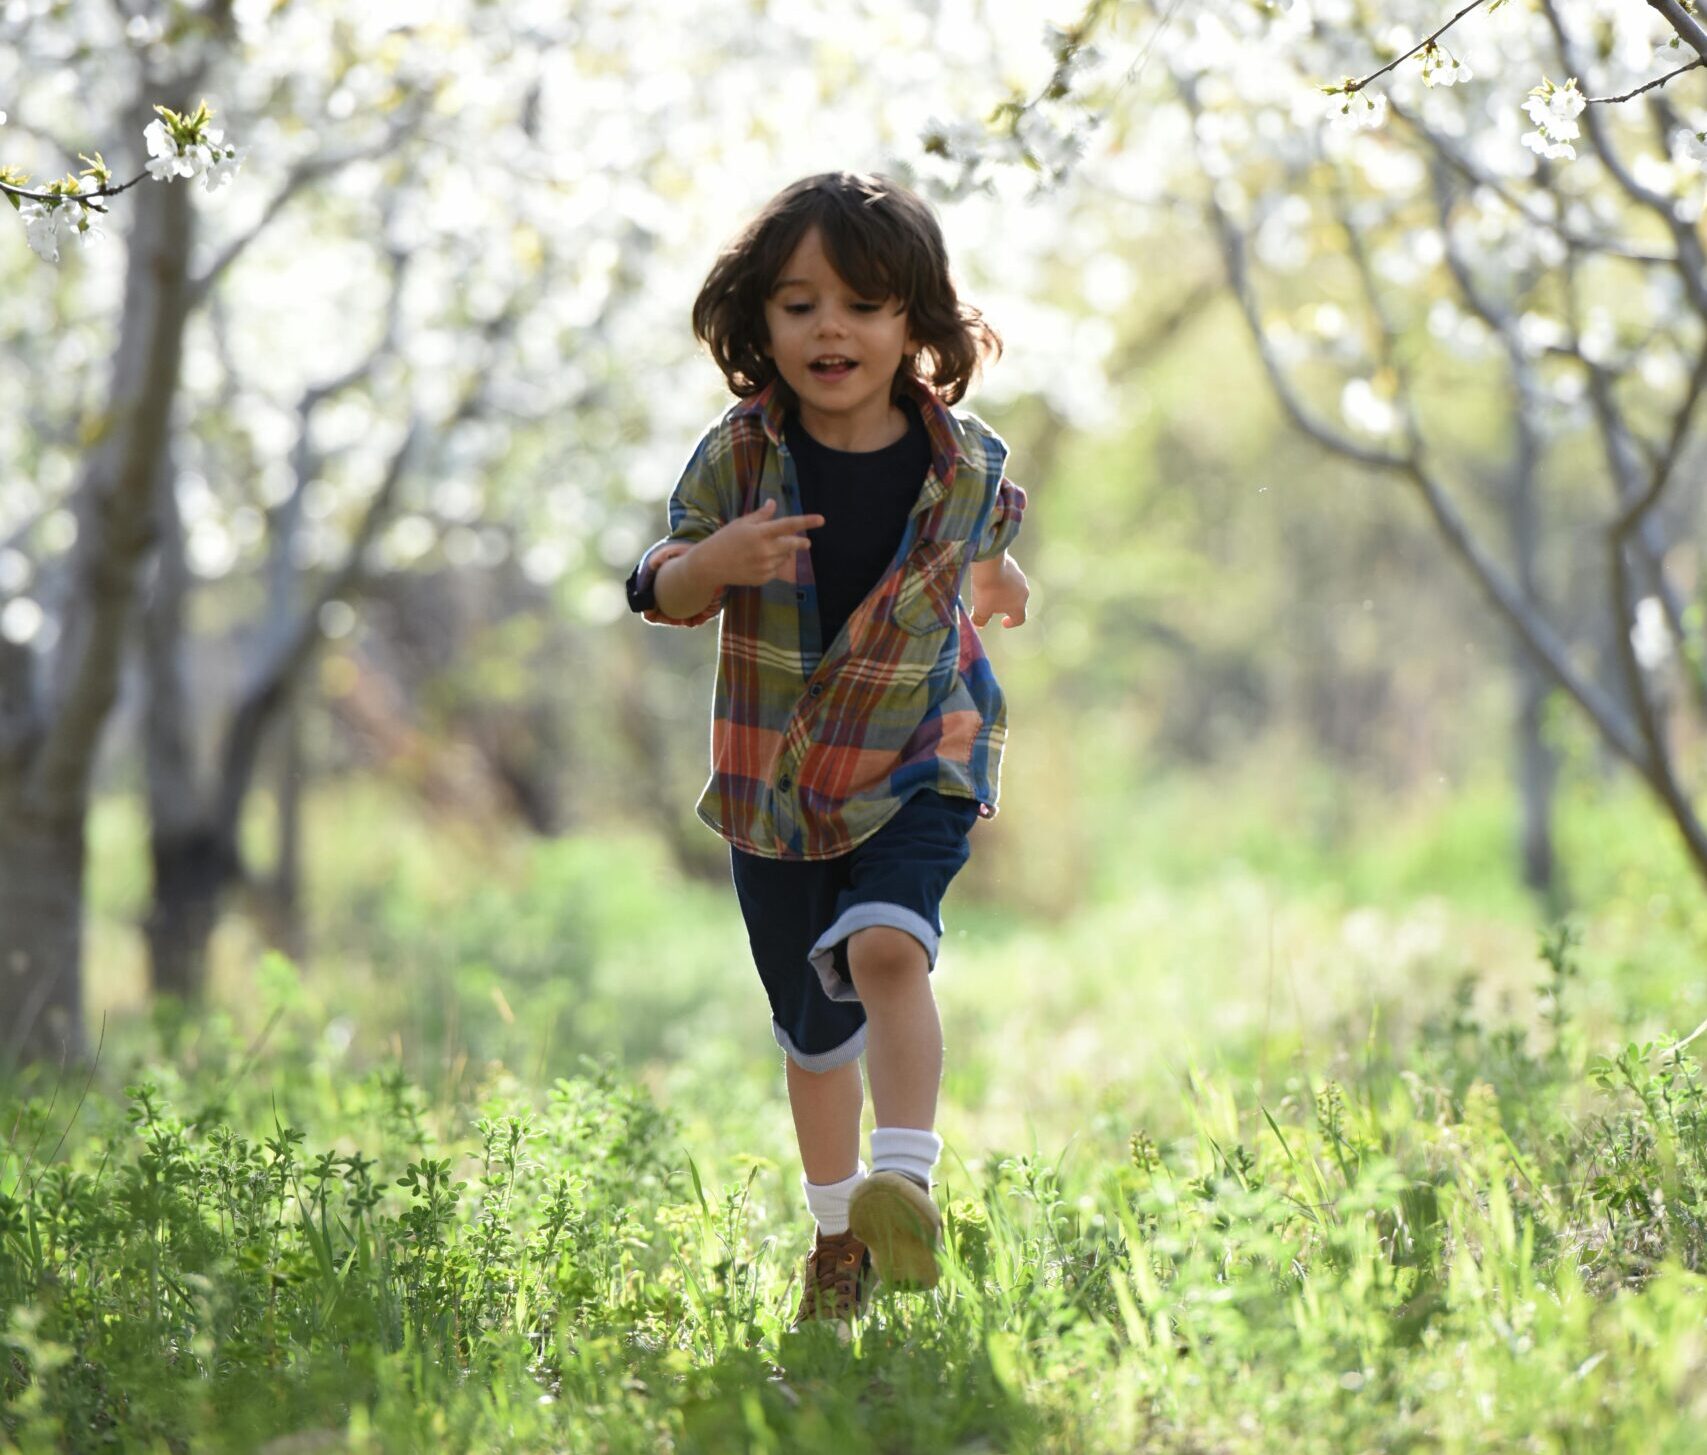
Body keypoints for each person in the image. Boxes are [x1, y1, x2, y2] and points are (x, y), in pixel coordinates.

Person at [625, 172, 1029, 1328]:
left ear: (916, 326)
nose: (830, 330)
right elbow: (657, 579)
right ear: (758, 326)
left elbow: (991, 530)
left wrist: (999, 579)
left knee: (891, 949)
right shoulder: (741, 460)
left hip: (923, 748)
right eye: (799, 306)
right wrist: (712, 567)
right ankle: (838, 1232)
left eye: (862, 304)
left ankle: (906, 1178)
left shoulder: (965, 459)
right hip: (783, 787)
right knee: (815, 1030)